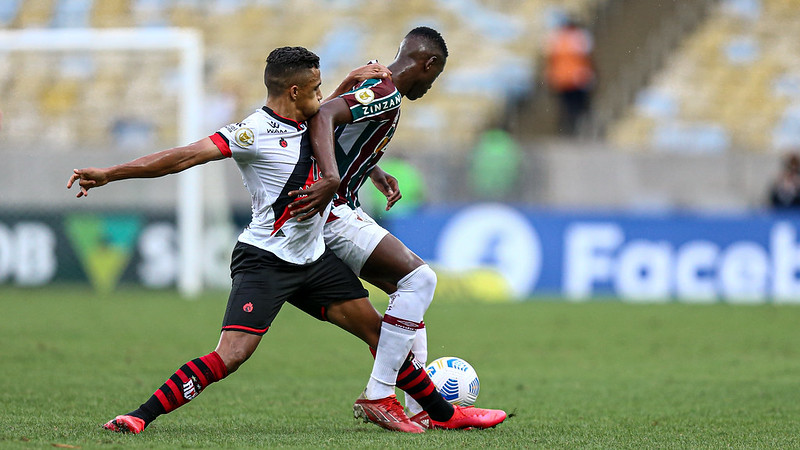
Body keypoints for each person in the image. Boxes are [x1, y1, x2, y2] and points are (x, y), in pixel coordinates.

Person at [68, 46, 504, 434]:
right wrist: (110, 174)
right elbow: (182, 157)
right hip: (266, 260)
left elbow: (333, 134)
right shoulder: (251, 133)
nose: (323, 95)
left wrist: (359, 124)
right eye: (316, 87)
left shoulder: (312, 117)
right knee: (233, 354)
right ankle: (140, 416)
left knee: (381, 334)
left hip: (314, 260)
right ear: (293, 92)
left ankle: (442, 413)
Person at [289, 27, 506, 431]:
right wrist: (334, 178)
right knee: (420, 280)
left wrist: (372, 168)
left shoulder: (382, 90)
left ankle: (422, 409)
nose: (429, 87)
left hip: (337, 205)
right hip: (331, 209)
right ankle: (379, 394)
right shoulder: (385, 91)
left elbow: (340, 132)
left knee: (408, 294)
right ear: (429, 65)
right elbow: (323, 117)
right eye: (434, 78)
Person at [544, 16, 595, 136]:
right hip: (578, 77)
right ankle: (575, 129)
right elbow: (588, 57)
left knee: (566, 106)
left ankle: (568, 129)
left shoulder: (555, 38)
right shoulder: (580, 36)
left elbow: (550, 59)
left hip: (562, 78)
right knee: (578, 106)